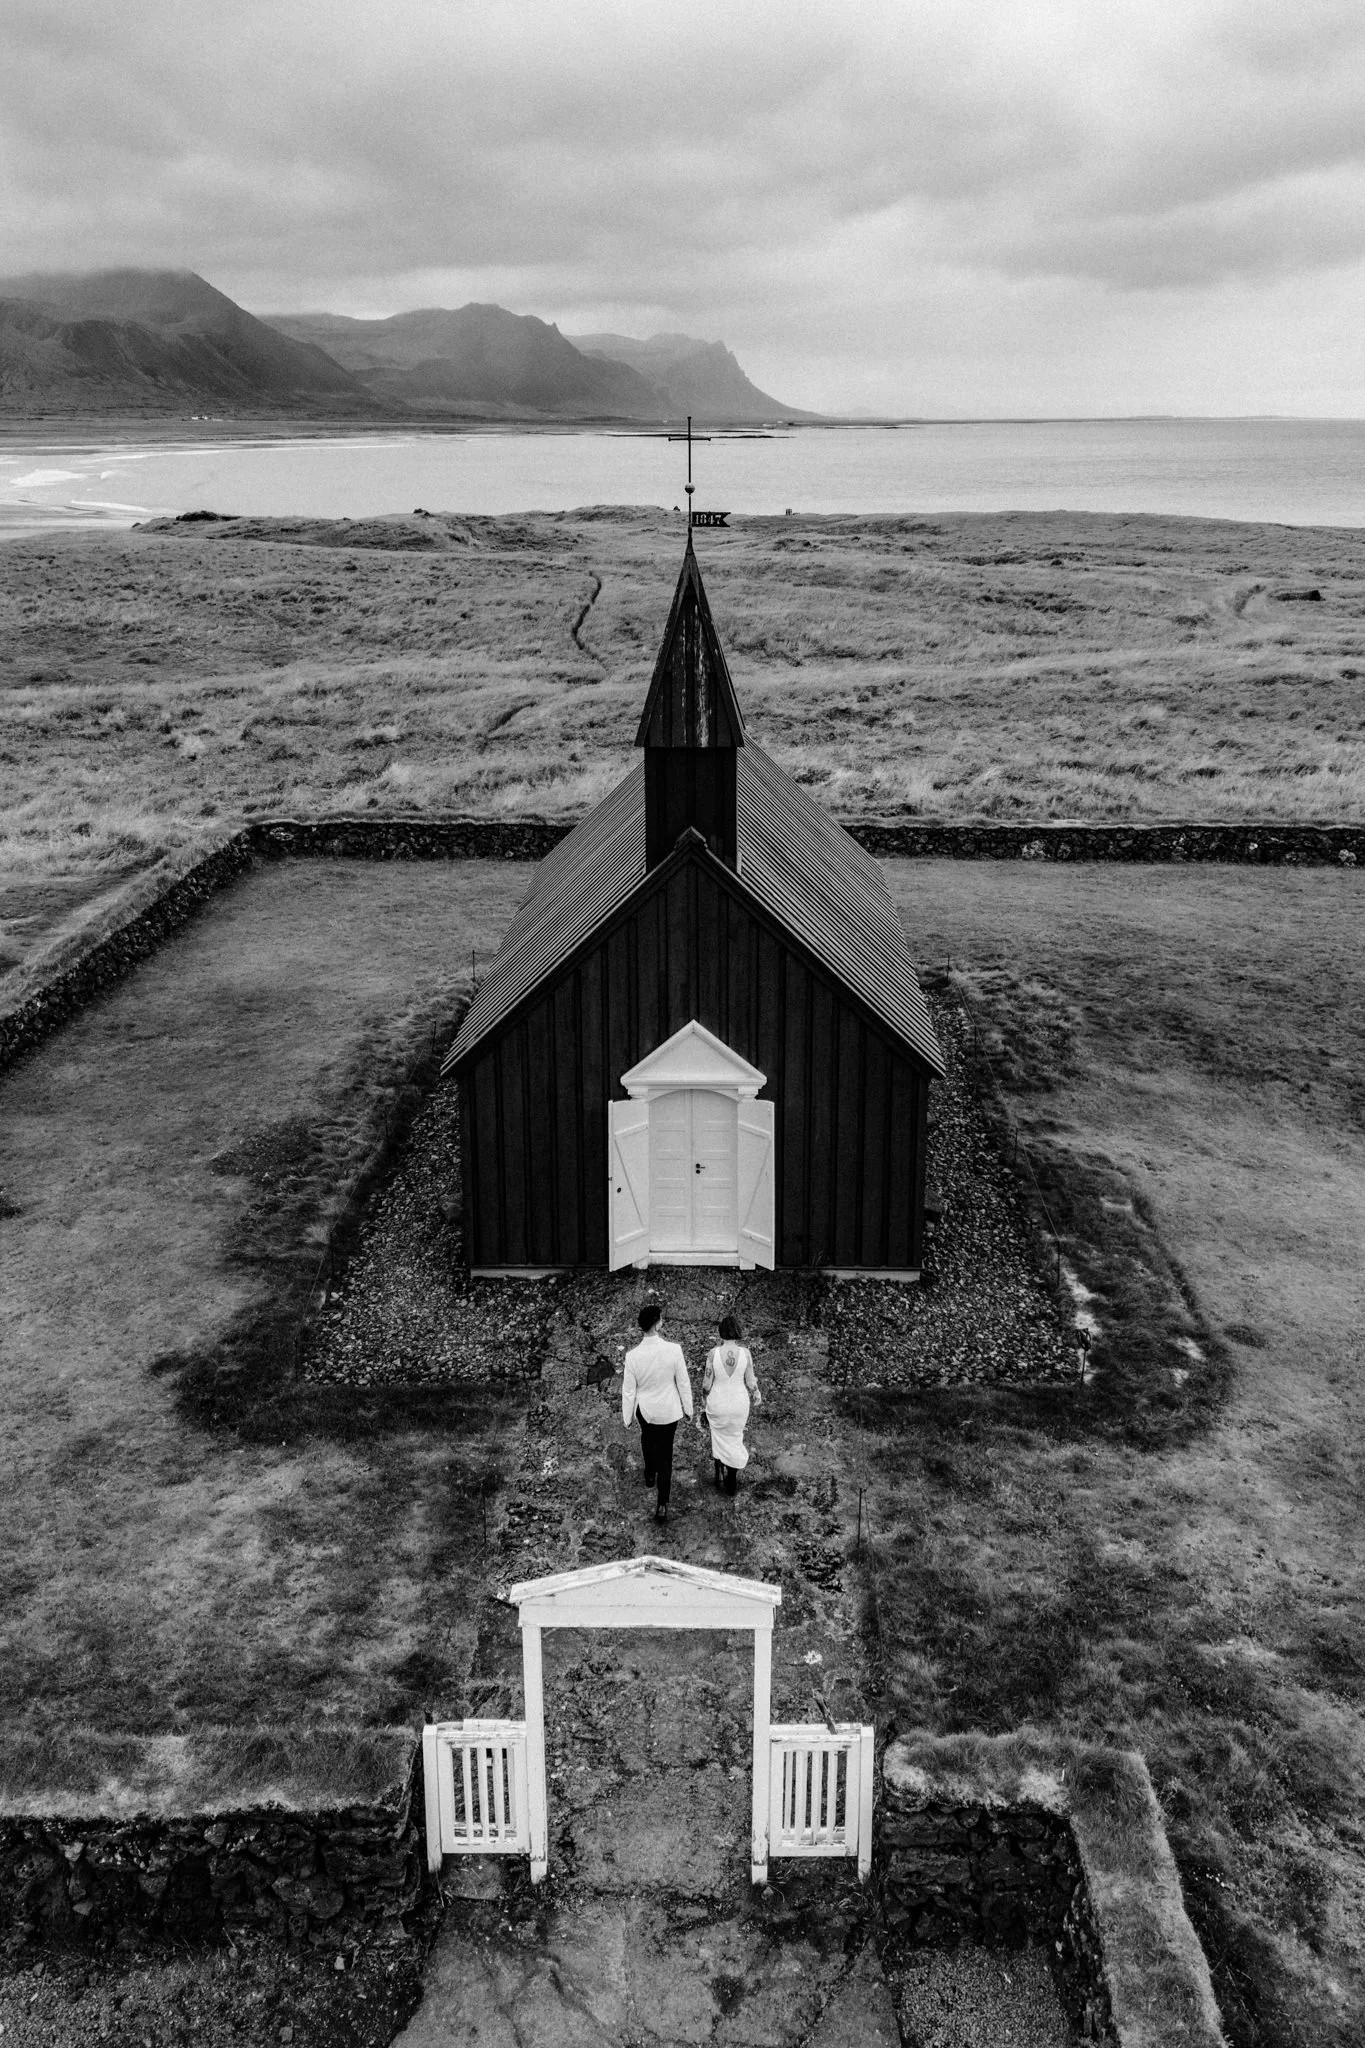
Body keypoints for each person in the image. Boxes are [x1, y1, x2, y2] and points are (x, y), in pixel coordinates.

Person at [621, 1302, 694, 1524]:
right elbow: (682, 1382)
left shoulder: (632, 1356)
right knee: (666, 1455)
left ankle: (649, 1472)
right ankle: (662, 1502)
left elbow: (628, 1390)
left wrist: (627, 1416)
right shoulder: (674, 1350)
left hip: (646, 1409)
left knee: (647, 1438)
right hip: (669, 1410)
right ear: (658, 1323)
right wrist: (688, 1408)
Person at [702, 1313, 761, 1497]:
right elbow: (751, 1381)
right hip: (738, 1402)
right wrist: (756, 1392)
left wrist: (703, 1398)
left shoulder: (713, 1353)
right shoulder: (746, 1353)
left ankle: (718, 1468)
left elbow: (706, 1383)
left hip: (718, 1401)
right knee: (735, 1437)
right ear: (737, 1332)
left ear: (721, 1332)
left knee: (718, 1436)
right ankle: (732, 1477)